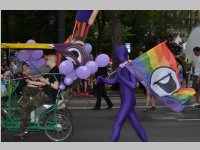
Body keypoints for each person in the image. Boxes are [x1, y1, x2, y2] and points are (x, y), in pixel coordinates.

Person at [15, 54, 61, 138]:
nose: (46, 61)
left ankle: (23, 131)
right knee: (27, 88)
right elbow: (43, 83)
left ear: (51, 60)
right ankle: (23, 104)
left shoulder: (55, 71)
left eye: (47, 60)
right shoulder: (52, 70)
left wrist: (45, 81)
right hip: (45, 92)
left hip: (47, 95)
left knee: (26, 108)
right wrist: (31, 82)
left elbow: (55, 86)